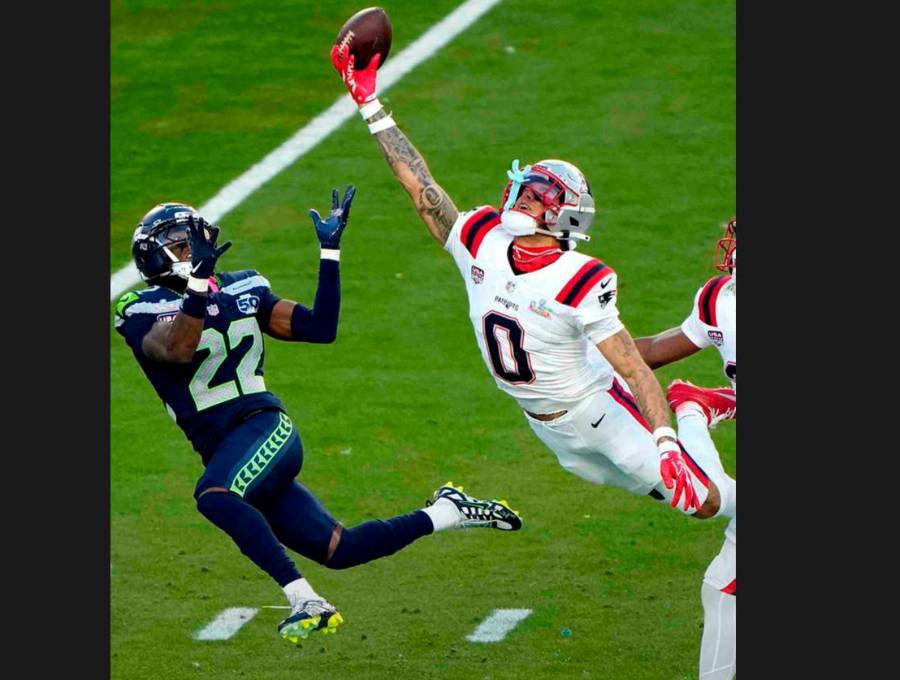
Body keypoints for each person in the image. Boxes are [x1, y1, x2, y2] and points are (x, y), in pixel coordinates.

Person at [329, 47, 737, 524]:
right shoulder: (481, 239)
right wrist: (370, 106)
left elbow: (630, 365)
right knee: (658, 492)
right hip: (547, 427)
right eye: (525, 191)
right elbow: (421, 186)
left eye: (540, 197)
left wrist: (665, 437)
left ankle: (690, 407)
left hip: (597, 411)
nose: (526, 200)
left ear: (566, 216)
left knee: (705, 503)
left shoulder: (582, 276)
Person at [113, 187, 522, 645]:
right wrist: (196, 287)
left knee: (214, 495)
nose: (193, 250)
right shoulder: (138, 308)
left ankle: (306, 600)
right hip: (228, 448)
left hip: (263, 426)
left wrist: (330, 253)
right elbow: (176, 348)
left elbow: (318, 327)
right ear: (152, 255)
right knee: (340, 549)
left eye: (193, 240)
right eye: (180, 243)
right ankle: (447, 511)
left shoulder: (243, 286)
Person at [635, 217, 737, 679]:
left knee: (716, 505)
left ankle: (692, 406)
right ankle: (694, 405)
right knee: (723, 587)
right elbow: (656, 349)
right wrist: (586, 347)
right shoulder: (719, 300)